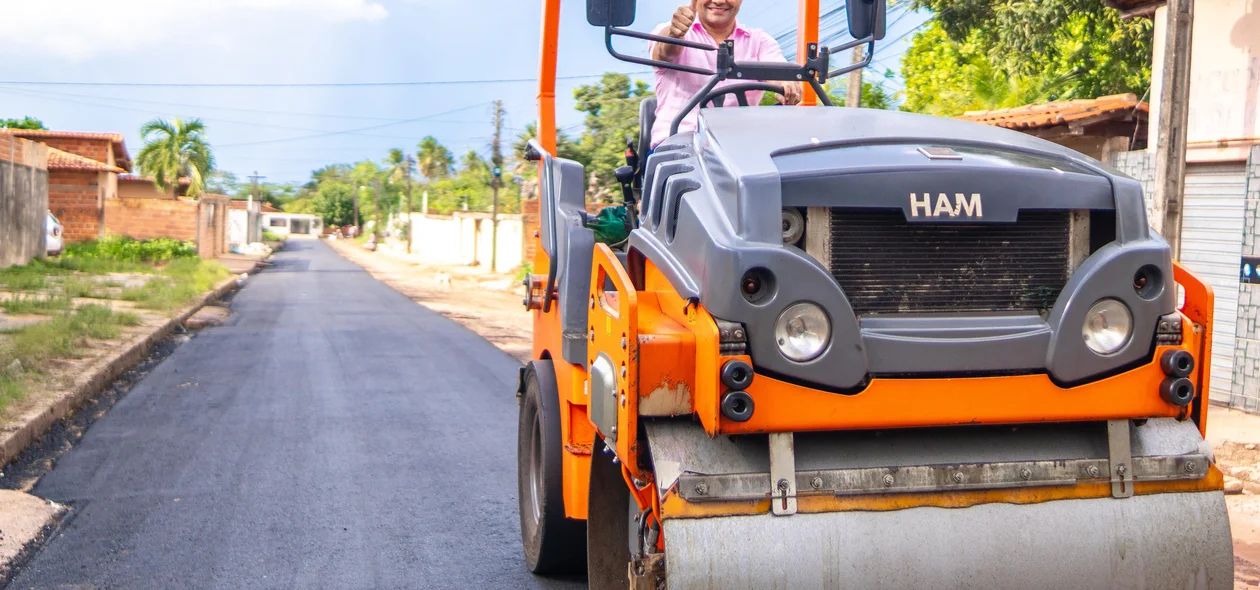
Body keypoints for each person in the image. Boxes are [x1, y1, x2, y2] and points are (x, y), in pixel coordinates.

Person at [648, 0, 803, 148]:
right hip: (679, 146)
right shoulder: (673, 31)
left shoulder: (759, 41)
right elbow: (664, 50)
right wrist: (675, 35)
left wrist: (786, 83)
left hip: (742, 150)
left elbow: (777, 70)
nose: (719, 1)